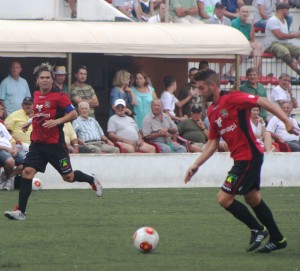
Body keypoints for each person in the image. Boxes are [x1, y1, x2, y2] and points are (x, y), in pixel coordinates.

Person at [184, 68, 295, 253]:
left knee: (224, 198)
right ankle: (278, 238)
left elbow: (262, 100)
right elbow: (212, 143)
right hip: (242, 159)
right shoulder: (212, 111)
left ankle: (258, 229)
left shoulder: (232, 98)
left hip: (249, 157)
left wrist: (286, 120)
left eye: (202, 88)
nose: (199, 92)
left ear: (213, 86)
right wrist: (195, 165)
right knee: (253, 198)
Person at [4, 63, 103, 221]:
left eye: (48, 78)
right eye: (42, 78)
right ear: (37, 80)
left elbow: (73, 114)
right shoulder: (36, 95)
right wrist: (29, 122)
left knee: (68, 177)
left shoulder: (60, 96)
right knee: (27, 172)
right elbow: (39, 113)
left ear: (52, 79)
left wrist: (57, 122)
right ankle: (21, 211)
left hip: (55, 146)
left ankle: (91, 179)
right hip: (37, 144)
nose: (45, 80)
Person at [264, 3, 300, 76]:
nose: (288, 12)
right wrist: (295, 35)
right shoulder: (273, 20)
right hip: (272, 44)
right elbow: (279, 36)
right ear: (282, 10)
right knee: (284, 51)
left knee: (298, 50)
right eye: (287, 10)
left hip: (284, 43)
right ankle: (298, 71)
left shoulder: (285, 21)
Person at [231, 5, 263, 75]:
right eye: (243, 12)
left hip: (247, 44)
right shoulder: (234, 22)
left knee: (259, 46)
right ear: (239, 13)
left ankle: (254, 70)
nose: (245, 13)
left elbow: (252, 39)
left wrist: (252, 26)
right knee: (244, 54)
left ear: (248, 14)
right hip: (238, 44)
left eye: (246, 12)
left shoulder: (249, 23)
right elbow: (236, 38)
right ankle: (230, 72)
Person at [0, 122, 25, 191]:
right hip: (1, 150)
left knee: (30, 162)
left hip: (11, 149)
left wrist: (15, 149)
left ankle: (8, 177)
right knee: (10, 161)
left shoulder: (0, 124)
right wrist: (7, 149)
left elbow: (11, 139)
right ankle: (8, 179)